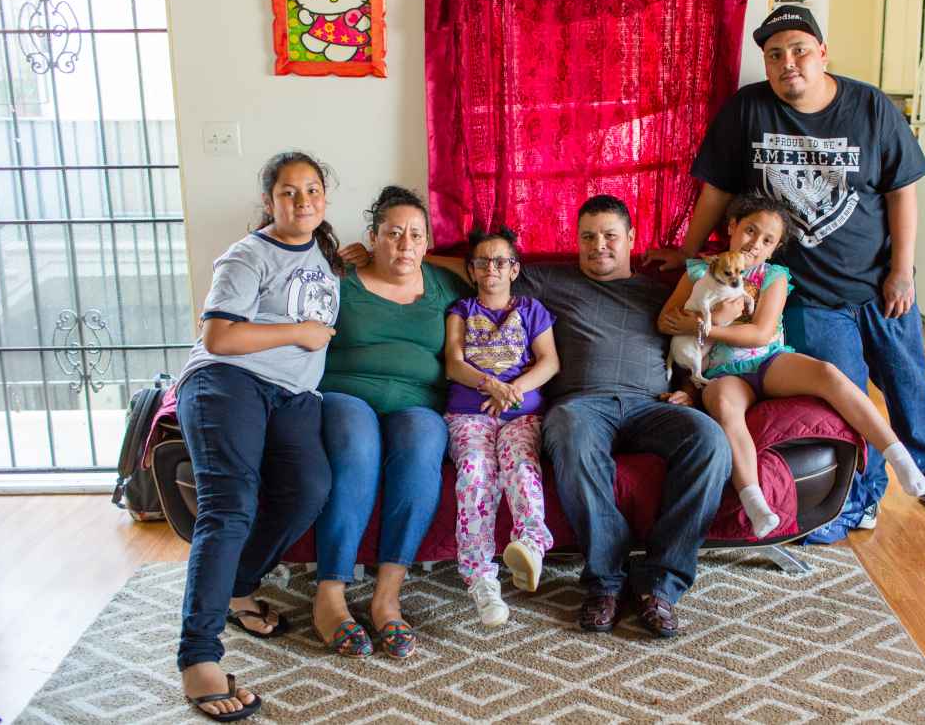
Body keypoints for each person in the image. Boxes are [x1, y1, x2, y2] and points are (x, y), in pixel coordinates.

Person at [646, 5, 925, 539]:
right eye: (774, 55)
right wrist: (685, 254)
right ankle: (863, 499)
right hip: (808, 294)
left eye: (799, 50)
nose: (787, 63)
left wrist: (902, 269)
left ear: (822, 54)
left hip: (877, 283)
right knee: (843, 397)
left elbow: (902, 193)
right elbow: (717, 191)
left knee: (907, 382)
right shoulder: (748, 111)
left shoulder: (869, 106)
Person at [346, 195, 732, 638]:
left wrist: (689, 388)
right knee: (569, 432)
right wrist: (395, 251)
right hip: (582, 405)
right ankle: (605, 582)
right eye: (587, 237)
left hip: (650, 404)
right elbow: (481, 268)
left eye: (609, 236)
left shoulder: (661, 290)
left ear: (630, 240)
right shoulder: (551, 282)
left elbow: (696, 339)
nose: (598, 246)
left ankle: (661, 583)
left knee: (709, 441)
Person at [173, 151, 341, 721]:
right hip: (228, 383)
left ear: (325, 198)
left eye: (312, 191)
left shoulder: (329, 254)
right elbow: (219, 337)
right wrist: (301, 331)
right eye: (289, 193)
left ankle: (238, 586)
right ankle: (198, 657)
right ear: (269, 201)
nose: (302, 202)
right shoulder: (246, 255)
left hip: (294, 398)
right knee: (231, 506)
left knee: (311, 489)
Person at [658, 194, 925, 539]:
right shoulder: (698, 271)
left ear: (775, 249)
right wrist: (708, 326)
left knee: (829, 374)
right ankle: (755, 501)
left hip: (768, 362)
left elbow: (760, 333)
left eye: (767, 240)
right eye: (749, 231)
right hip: (721, 372)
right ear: (732, 227)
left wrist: (708, 326)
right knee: (726, 406)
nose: (754, 244)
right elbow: (666, 321)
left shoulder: (772, 276)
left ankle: (902, 460)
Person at [312, 186, 469, 658]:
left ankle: (386, 597)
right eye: (393, 233)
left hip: (417, 403)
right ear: (372, 237)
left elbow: (491, 269)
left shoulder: (444, 283)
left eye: (415, 235)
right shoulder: (340, 279)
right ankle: (331, 596)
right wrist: (332, 261)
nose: (404, 244)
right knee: (358, 444)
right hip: (345, 394)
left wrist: (439, 255)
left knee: (423, 443)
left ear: (428, 243)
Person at [442, 227, 559, 627]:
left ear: (514, 269)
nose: (491, 268)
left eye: (501, 261)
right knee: (475, 471)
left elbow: (549, 362)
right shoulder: (461, 310)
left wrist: (512, 390)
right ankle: (480, 580)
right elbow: (454, 363)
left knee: (522, 467)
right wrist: (489, 385)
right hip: (469, 413)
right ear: (472, 270)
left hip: (520, 413)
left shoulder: (531, 310)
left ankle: (531, 544)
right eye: (482, 262)